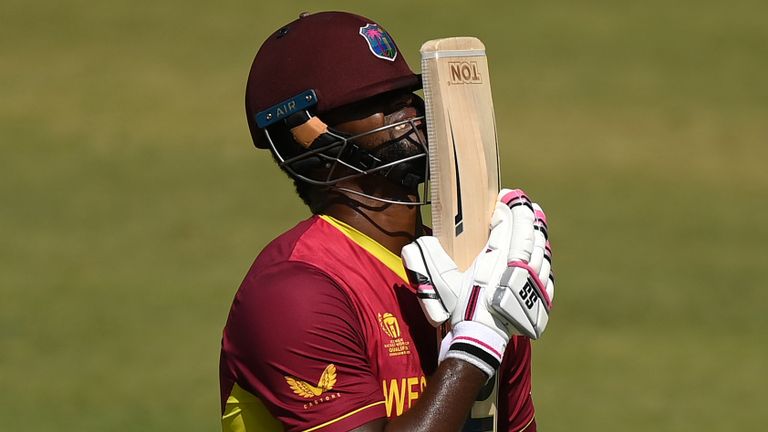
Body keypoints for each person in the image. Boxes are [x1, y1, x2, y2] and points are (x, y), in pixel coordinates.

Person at [219, 11, 554, 432]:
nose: (409, 111)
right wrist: (475, 347)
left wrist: (489, 320)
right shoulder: (293, 292)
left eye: (404, 94)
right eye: (371, 102)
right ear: (304, 138)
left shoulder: (483, 280)